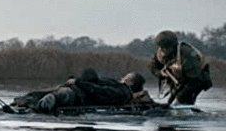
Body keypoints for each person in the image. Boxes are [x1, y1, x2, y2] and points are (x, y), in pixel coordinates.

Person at [14, 69, 154, 113]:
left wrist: (79, 82)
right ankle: (21, 103)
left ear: (130, 81)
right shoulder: (118, 87)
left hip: (77, 95)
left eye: (126, 77)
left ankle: (38, 106)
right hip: (72, 88)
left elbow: (98, 90)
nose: (122, 77)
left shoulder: (121, 91)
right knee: (40, 94)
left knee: (58, 96)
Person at [149, 30, 212, 105]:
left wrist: (181, 97)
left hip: (197, 79)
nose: (164, 50)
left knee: (182, 100)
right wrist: (160, 74)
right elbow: (153, 66)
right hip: (177, 80)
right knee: (171, 102)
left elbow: (195, 80)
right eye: (162, 47)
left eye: (167, 47)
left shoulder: (187, 55)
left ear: (173, 46)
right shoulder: (159, 54)